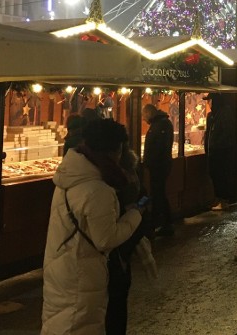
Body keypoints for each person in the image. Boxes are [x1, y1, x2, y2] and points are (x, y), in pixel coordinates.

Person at [41, 118, 143, 334]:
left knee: (58, 321)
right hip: (82, 270)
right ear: (114, 150)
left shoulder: (69, 176)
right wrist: (136, 215)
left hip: (61, 265)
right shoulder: (98, 189)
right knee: (80, 323)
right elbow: (106, 238)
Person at [106, 138, 152, 335]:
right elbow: (145, 197)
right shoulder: (132, 172)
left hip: (117, 248)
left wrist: (134, 209)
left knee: (112, 303)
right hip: (125, 244)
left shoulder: (110, 179)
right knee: (118, 303)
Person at [142, 104, 174, 237]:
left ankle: (161, 223)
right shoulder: (160, 123)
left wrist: (149, 161)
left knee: (158, 193)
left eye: (144, 115)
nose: (143, 119)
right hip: (158, 165)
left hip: (159, 166)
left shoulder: (161, 125)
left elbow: (159, 147)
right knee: (158, 193)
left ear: (149, 113)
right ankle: (162, 223)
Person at [204, 93, 237, 210]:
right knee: (215, 175)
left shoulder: (225, 114)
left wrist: (217, 144)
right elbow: (209, 133)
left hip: (221, 151)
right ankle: (219, 198)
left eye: (210, 101)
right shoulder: (211, 115)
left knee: (221, 175)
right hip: (213, 151)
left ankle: (223, 199)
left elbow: (227, 133)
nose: (208, 103)